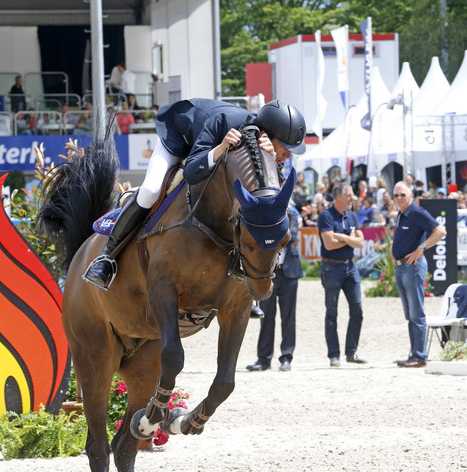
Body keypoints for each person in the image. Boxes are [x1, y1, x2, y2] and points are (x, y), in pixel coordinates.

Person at [83, 98, 307, 290]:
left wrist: (271, 161)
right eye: (285, 148)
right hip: (179, 140)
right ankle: (106, 258)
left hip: (203, 146)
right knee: (151, 190)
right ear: (267, 134)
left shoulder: (261, 144)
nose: (287, 155)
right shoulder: (223, 121)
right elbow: (191, 172)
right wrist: (219, 148)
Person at [391, 181, 447, 368]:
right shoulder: (402, 214)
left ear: (410, 196)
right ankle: (414, 353)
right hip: (401, 267)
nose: (399, 198)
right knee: (410, 313)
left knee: (416, 313)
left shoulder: (417, 212)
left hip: (412, 267)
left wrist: (421, 248)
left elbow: (440, 231)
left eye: (402, 195)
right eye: (396, 195)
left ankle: (420, 356)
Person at [246, 202, 302, 372]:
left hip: (288, 272)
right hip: (268, 272)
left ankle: (286, 357)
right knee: (266, 317)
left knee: (288, 318)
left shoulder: (292, 213)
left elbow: (290, 236)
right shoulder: (265, 215)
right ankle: (264, 359)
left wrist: (269, 236)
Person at [317, 182, 367, 367]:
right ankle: (334, 355)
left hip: (350, 267)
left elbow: (361, 244)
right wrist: (351, 238)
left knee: (357, 310)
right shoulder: (326, 216)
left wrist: (342, 237)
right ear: (338, 197)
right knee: (332, 312)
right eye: (349, 195)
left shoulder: (352, 216)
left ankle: (351, 352)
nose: (352, 198)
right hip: (331, 268)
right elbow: (329, 244)